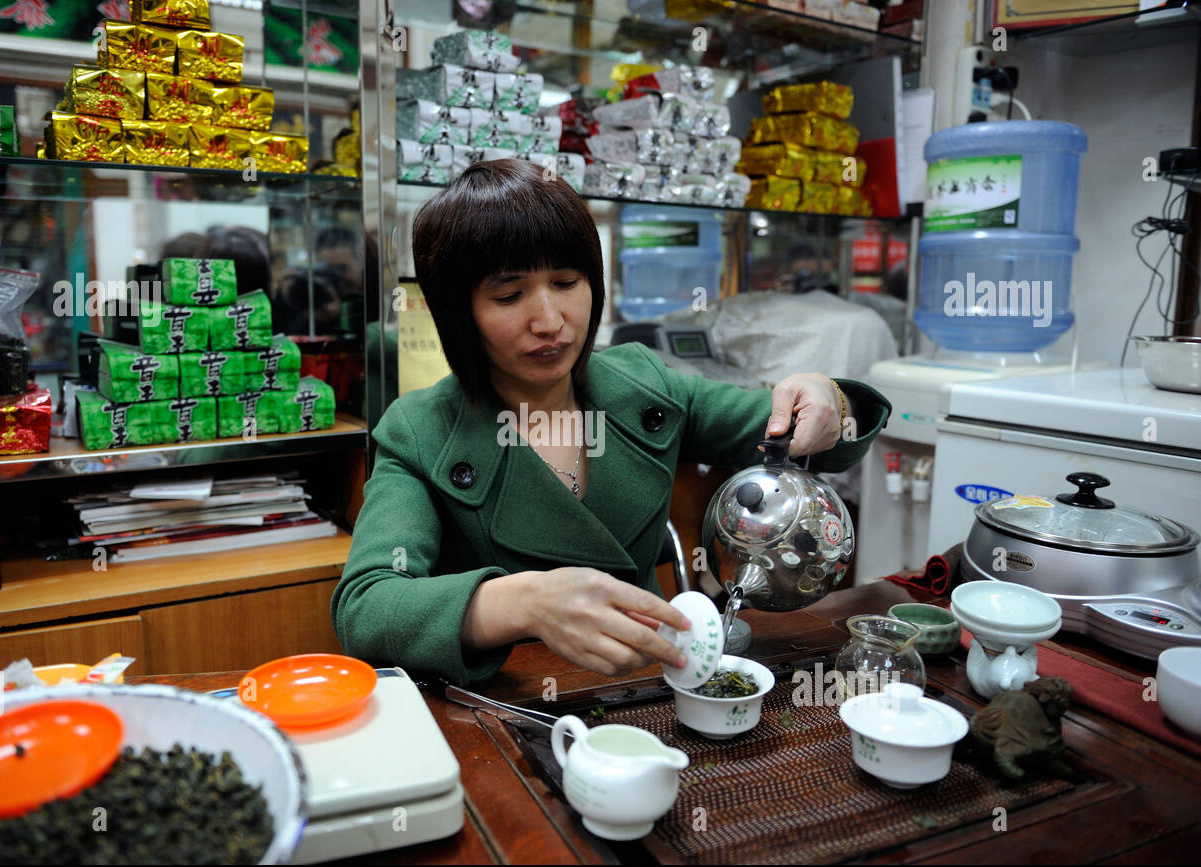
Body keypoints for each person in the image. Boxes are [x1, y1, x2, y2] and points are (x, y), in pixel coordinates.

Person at [332, 160, 891, 687]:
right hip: (513, 707)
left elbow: (796, 427)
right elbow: (366, 607)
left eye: (568, 283)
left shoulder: (645, 386)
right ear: (458, 314)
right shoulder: (420, 430)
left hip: (657, 681)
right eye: (509, 294)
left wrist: (827, 398)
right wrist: (522, 601)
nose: (550, 322)